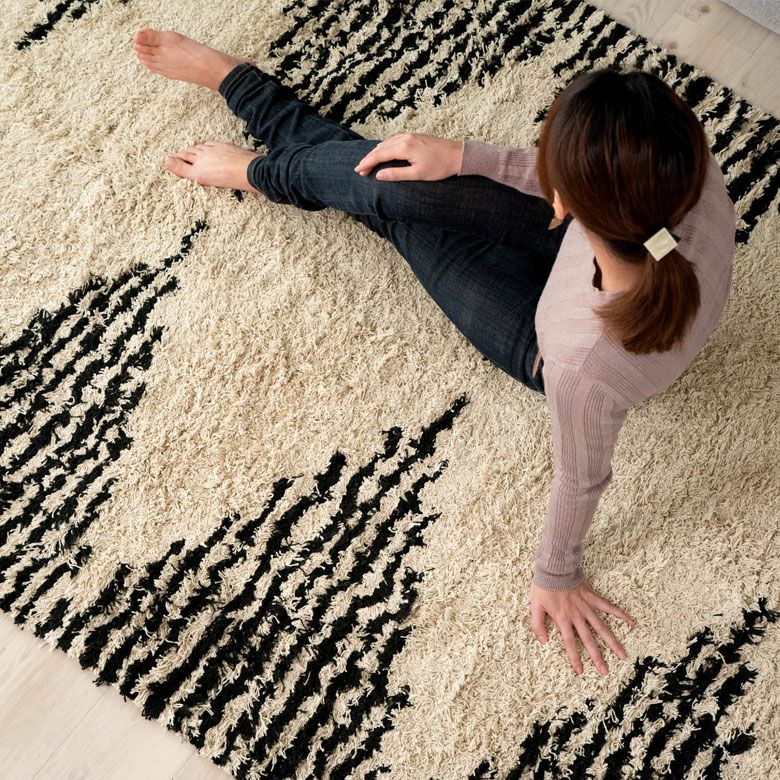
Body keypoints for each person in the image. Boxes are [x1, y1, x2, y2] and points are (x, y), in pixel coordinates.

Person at [132, 29, 736, 677]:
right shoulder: (678, 172)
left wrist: (555, 575)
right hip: (599, 253)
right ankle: (255, 118)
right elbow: (595, 181)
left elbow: (581, 477)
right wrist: (465, 156)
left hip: (538, 336)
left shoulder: (583, 366)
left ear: (562, 202)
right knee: (393, 182)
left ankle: (256, 151)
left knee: (393, 210)